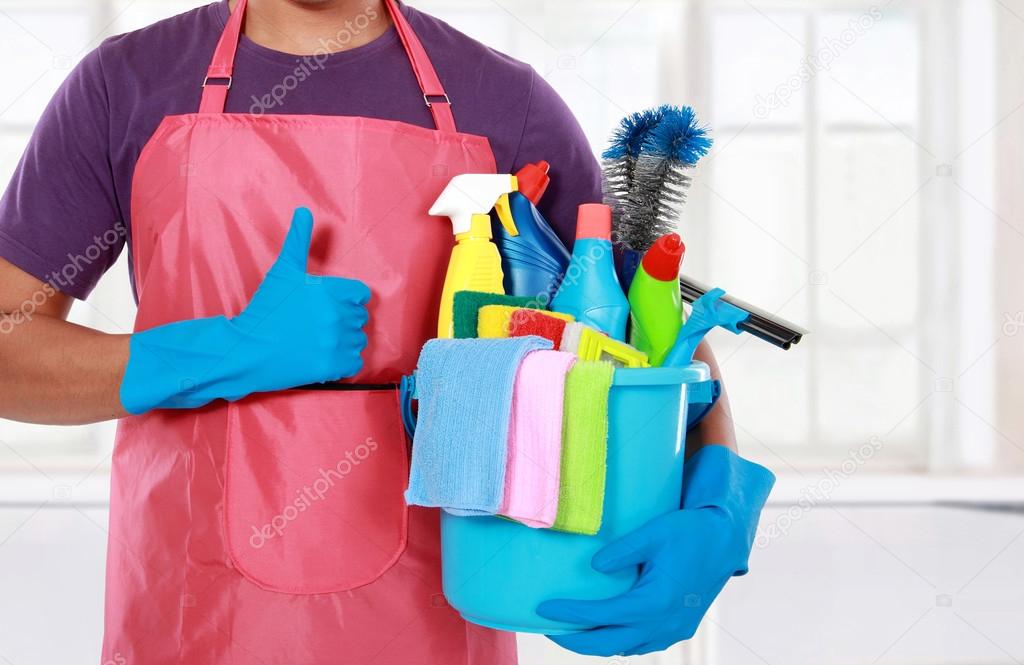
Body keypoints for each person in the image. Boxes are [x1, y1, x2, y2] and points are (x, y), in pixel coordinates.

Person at [0, 0, 773, 662]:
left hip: (437, 617)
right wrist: (225, 351)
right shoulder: (126, 87)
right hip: (192, 618)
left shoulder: (505, 105)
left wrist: (719, 502)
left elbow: (648, 326)